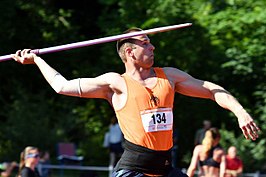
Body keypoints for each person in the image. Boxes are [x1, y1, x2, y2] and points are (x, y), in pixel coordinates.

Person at [12, 27, 260, 177]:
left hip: (164, 170)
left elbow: (212, 90)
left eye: (151, 42)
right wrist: (37, 61)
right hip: (132, 171)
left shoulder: (170, 77)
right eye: (146, 43)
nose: (153, 47)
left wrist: (240, 111)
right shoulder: (114, 83)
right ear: (129, 52)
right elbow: (61, 86)